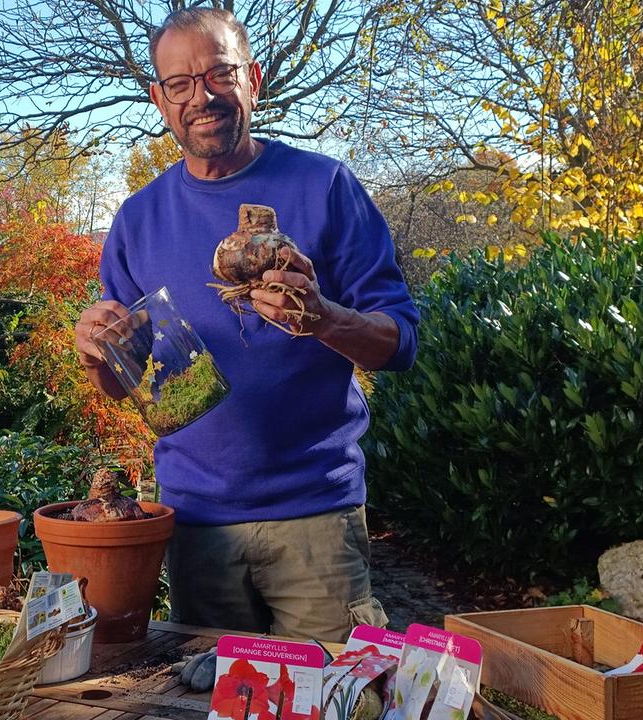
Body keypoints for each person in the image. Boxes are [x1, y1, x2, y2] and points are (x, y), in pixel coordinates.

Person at [73, 7, 419, 643]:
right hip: (195, 524)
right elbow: (125, 389)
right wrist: (98, 353)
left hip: (316, 516)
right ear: (159, 98)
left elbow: (400, 341)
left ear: (253, 79)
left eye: (219, 74)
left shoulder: (325, 186)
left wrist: (324, 319)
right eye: (179, 83)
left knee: (340, 702)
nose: (201, 97)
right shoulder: (137, 220)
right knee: (204, 703)